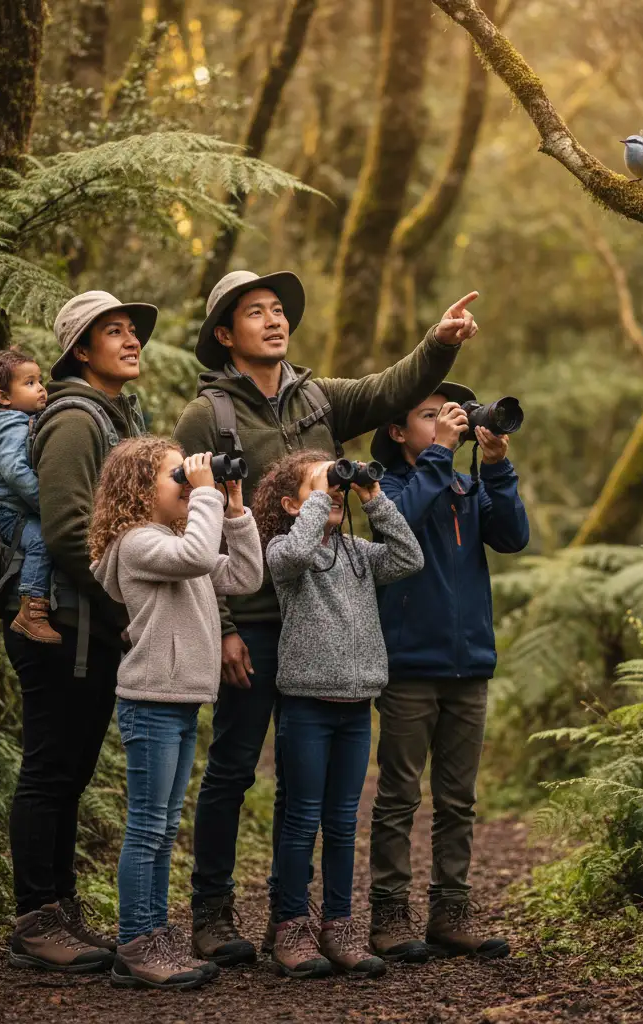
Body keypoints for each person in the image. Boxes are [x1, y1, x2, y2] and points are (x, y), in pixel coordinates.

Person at [172, 269, 480, 964]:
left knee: (303, 781)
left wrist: (440, 343)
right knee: (234, 767)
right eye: (256, 312)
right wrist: (223, 624)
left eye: (279, 310)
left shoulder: (318, 398)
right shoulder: (207, 416)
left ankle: (295, 917)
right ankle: (212, 913)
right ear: (226, 335)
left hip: (318, 614)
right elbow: (198, 520)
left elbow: (390, 388)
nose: (274, 320)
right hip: (253, 614)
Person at [6, 291, 158, 973]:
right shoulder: (74, 419)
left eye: (132, 331)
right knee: (49, 771)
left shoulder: (117, 416)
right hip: (61, 624)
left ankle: (60, 910)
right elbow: (70, 532)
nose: (130, 340)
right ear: (81, 350)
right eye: (113, 331)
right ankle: (35, 919)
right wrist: (132, 606)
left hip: (91, 622)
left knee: (70, 774)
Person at [90, 440, 264, 989]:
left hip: (179, 702)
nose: (189, 483)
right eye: (177, 476)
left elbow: (245, 577)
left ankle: (156, 936)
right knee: (147, 827)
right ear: (141, 490)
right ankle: (135, 944)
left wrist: (234, 507)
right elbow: (196, 557)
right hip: (150, 703)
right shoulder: (138, 543)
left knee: (164, 828)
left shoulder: (175, 543)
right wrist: (206, 493)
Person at [367, 384, 530, 962]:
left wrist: (497, 467)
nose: (444, 422)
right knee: (398, 796)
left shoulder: (465, 486)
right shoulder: (385, 487)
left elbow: (512, 537)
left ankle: (451, 912)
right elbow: (400, 524)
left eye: (449, 414)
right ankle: (389, 914)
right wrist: (439, 453)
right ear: (397, 431)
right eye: (429, 415)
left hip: (469, 665)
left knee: (458, 800)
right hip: (410, 665)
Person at [253, 450, 423, 979]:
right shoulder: (284, 549)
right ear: (292, 504)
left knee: (344, 822)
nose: (333, 493)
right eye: (318, 487)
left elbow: (409, 557)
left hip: (356, 706)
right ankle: (291, 926)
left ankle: (339, 924)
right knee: (303, 818)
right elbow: (295, 554)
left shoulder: (358, 553)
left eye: (335, 487)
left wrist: (373, 497)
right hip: (307, 705)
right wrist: (321, 495)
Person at [0, 349, 58, 643]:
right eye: (30, 383)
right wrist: (46, 504)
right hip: (14, 514)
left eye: (39, 380)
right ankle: (31, 611)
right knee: (41, 541)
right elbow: (14, 472)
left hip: (16, 510)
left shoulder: (10, 419)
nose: (41, 388)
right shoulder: (9, 426)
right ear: (4, 398)